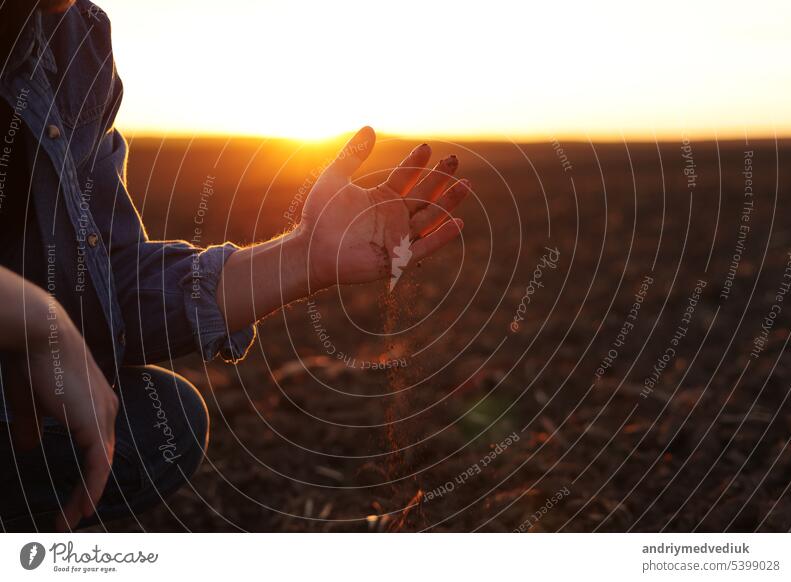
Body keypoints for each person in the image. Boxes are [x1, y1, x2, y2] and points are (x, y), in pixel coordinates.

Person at [0, 0, 470, 531]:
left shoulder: (71, 40)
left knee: (159, 423)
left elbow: (100, 289)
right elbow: (54, 317)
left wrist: (301, 258)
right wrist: (31, 318)